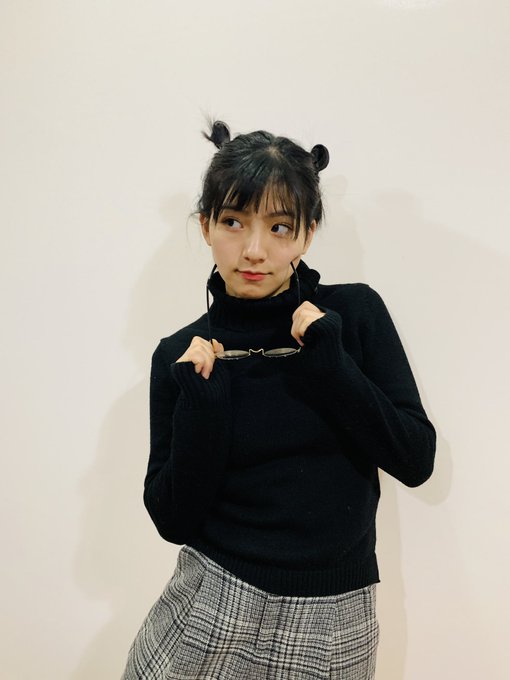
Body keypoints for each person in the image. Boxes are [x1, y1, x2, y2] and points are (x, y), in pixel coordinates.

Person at [121, 120, 436, 679]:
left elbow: (415, 460)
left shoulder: (352, 316)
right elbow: (173, 519)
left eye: (280, 226)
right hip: (208, 608)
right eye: (233, 222)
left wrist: (331, 365)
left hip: (335, 624)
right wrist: (202, 404)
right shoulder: (182, 355)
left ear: (307, 234)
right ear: (205, 225)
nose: (254, 250)